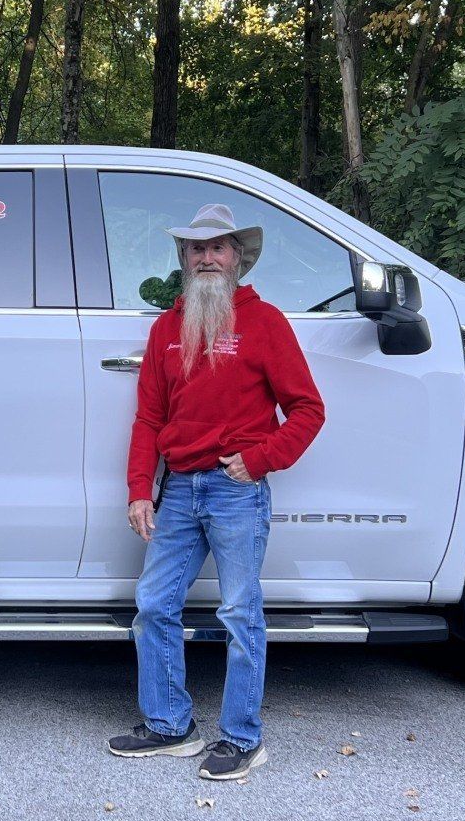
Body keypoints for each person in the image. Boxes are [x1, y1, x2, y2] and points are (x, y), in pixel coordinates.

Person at [107, 204, 327, 781]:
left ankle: (242, 738)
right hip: (179, 489)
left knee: (238, 611)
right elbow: (148, 419)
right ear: (185, 259)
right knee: (154, 605)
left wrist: (260, 459)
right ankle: (169, 727)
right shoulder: (166, 329)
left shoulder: (265, 322)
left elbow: (308, 409)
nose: (207, 257)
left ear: (238, 259)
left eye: (218, 248)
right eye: (197, 249)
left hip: (236, 491)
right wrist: (139, 490)